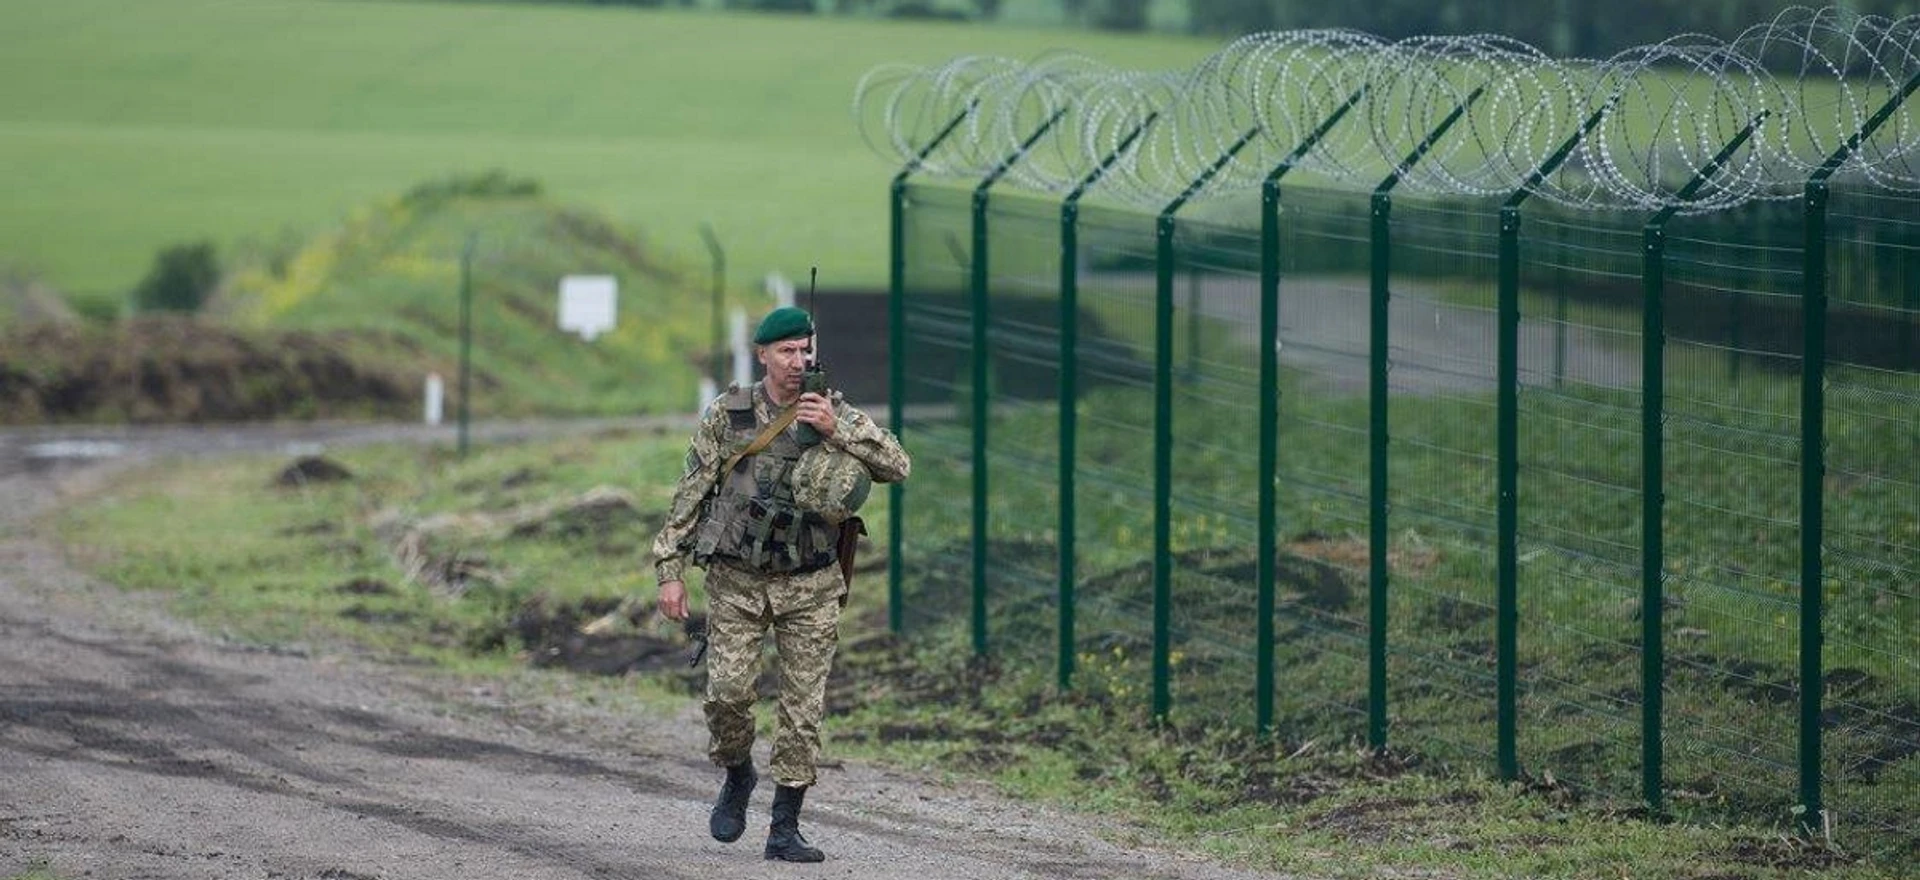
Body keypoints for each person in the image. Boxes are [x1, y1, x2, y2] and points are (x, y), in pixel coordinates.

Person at [651, 305, 910, 862]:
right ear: (763, 355)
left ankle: (784, 828)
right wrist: (670, 571)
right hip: (737, 580)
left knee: (802, 709)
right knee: (727, 696)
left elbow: (898, 465)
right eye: (787, 351)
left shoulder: (832, 411)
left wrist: (837, 430)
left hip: (810, 583)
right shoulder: (731, 415)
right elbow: (691, 492)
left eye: (805, 350)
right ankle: (737, 774)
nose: (798, 361)